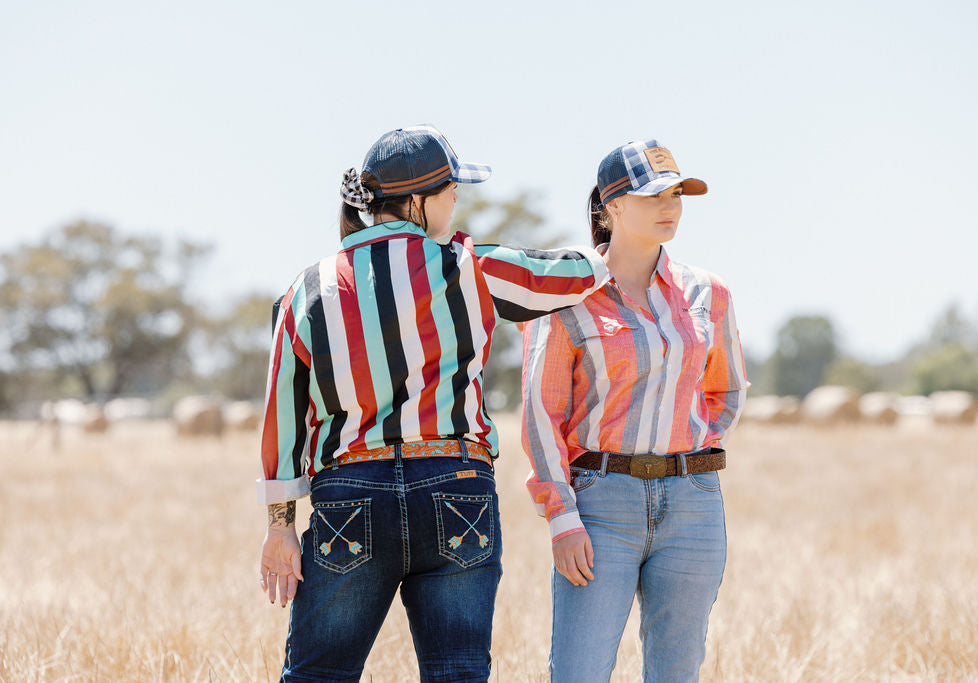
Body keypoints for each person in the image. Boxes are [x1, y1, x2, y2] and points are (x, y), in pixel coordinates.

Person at [256, 124, 610, 682]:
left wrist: (280, 527)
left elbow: (283, 418)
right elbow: (575, 273)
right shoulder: (473, 266)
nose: (458, 201)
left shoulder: (307, 289)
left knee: (317, 676)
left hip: (349, 496)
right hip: (455, 488)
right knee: (458, 674)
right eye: (451, 190)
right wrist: (615, 234)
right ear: (418, 202)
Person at [521, 139, 748, 682]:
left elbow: (728, 390)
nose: (670, 206)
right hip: (600, 506)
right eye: (653, 196)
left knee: (677, 673)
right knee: (579, 673)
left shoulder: (708, 293)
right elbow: (540, 412)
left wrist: (688, 439)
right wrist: (561, 516)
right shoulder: (566, 298)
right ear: (613, 205)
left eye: (676, 194)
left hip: (693, 506)